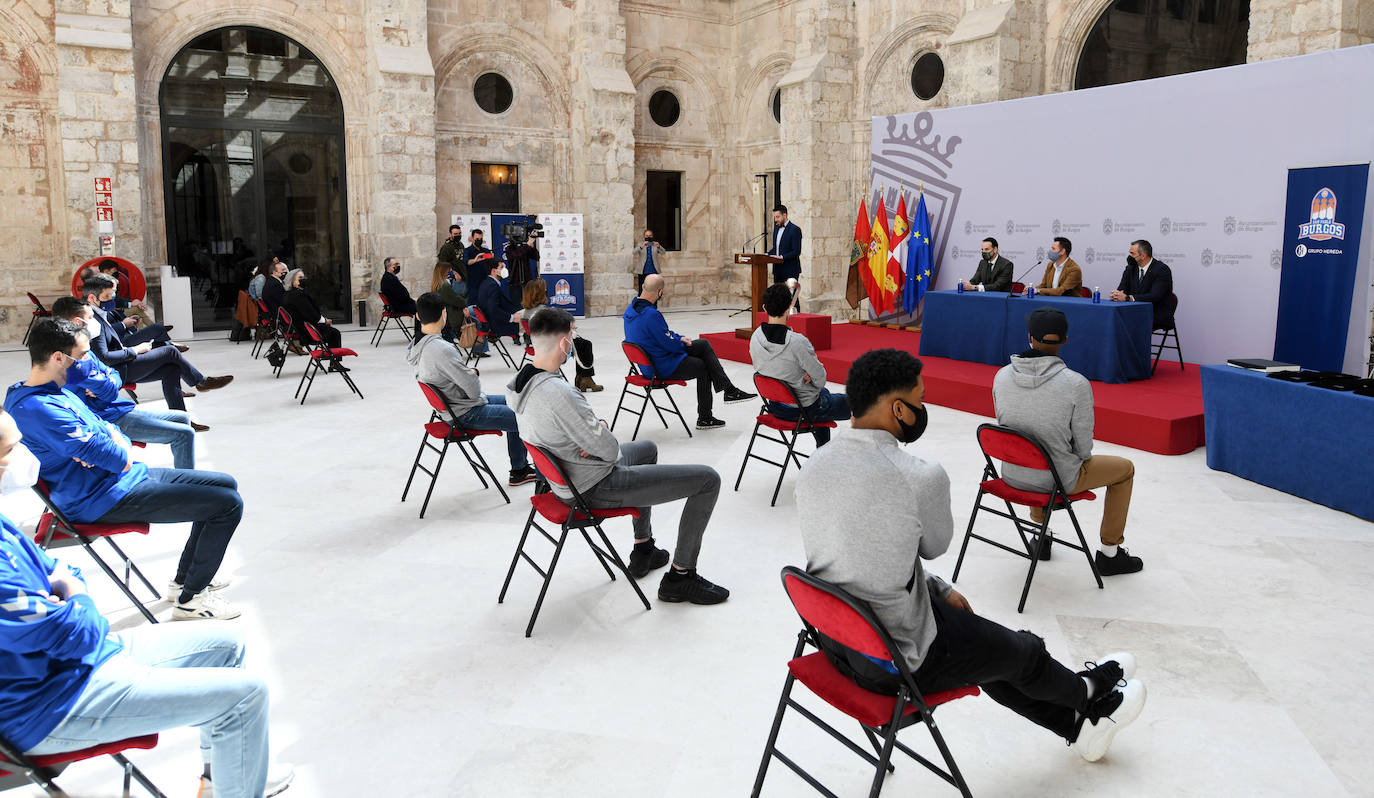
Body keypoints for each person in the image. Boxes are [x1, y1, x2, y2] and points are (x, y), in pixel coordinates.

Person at [795, 348, 1147, 762]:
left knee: (984, 642)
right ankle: (1090, 697)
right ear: (898, 409)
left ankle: (1072, 725)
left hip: (843, 641)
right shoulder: (918, 475)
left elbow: (853, 555)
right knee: (1022, 653)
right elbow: (934, 546)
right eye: (920, 400)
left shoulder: (814, 464)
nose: (923, 408)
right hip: (901, 659)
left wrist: (936, 588)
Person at [0, 409, 294, 798]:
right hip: (47, 704)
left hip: (71, 665)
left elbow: (61, 569)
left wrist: (68, 593)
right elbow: (76, 630)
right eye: (11, 448)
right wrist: (75, 596)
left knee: (227, 644)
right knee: (245, 696)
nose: (23, 454)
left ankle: (229, 780)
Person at [6, 320, 244, 620]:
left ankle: (185, 580)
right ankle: (192, 600)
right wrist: (112, 444)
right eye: (82, 355)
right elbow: (116, 456)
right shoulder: (38, 408)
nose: (88, 362)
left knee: (226, 484)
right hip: (99, 498)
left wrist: (109, 441)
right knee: (228, 505)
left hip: (119, 480)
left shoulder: (53, 391)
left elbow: (105, 431)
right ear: (58, 357)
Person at [509, 307, 730, 605]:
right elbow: (610, 450)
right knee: (708, 479)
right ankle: (681, 576)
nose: (573, 343)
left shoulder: (519, 384)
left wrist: (592, 439)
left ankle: (644, 548)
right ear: (564, 343)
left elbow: (591, 443)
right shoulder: (560, 393)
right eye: (572, 336)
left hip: (566, 476)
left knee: (647, 448)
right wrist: (600, 429)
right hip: (592, 486)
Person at [991, 307, 1143, 575]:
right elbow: (1084, 449)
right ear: (1065, 340)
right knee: (1125, 469)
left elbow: (1010, 428)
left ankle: (1042, 537)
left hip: (1012, 474)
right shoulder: (1076, 384)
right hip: (1056, 481)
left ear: (1029, 337)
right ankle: (1110, 553)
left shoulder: (1001, 376)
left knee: (1035, 451)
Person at [50, 297, 203, 465]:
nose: (95, 322)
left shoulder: (84, 350)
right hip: (106, 417)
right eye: (91, 318)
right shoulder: (70, 359)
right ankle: (187, 487)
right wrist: (108, 382)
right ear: (77, 322)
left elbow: (112, 375)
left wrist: (109, 381)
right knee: (184, 434)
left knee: (182, 418)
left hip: (116, 407)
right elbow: (107, 389)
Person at [406, 293, 537, 486]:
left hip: (452, 406)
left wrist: (467, 373)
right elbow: (473, 390)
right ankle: (534, 476)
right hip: (465, 412)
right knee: (526, 416)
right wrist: (472, 373)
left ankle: (520, 469)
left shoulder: (417, 345)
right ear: (444, 314)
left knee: (517, 401)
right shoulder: (442, 349)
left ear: (418, 317)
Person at [80, 275, 233, 412]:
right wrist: (135, 350)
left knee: (171, 369)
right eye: (108, 296)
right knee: (170, 352)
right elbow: (104, 357)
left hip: (123, 362)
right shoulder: (92, 320)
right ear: (93, 298)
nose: (112, 299)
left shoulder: (100, 313)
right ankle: (201, 382)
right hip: (118, 370)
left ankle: (181, 419)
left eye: (112, 294)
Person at [623, 275, 755, 430]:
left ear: (643, 287)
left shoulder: (632, 309)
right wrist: (681, 344)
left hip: (648, 363)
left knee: (703, 344)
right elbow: (669, 344)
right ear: (660, 292)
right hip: (661, 366)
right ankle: (706, 416)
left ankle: (729, 390)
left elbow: (664, 334)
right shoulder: (651, 315)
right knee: (704, 366)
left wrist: (680, 338)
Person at [749, 283, 850, 445]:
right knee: (860, 403)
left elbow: (768, 368)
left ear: (764, 308)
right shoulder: (796, 342)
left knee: (823, 393)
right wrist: (807, 375)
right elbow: (820, 378)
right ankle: (826, 455)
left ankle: (821, 454)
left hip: (775, 405)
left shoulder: (756, 337)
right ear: (789, 308)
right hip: (803, 409)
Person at [521, 278, 601, 392]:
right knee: (585, 344)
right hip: (550, 345)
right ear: (539, 293)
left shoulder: (527, 310)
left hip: (536, 342)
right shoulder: (541, 311)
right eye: (544, 289)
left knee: (581, 344)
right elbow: (553, 329)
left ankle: (583, 378)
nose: (546, 291)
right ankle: (585, 378)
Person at [1110, 239, 1174, 330]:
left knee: (1126, 321)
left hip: (1155, 313)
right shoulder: (1130, 269)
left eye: (1132, 254)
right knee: (1112, 318)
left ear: (1143, 256)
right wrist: (1117, 295)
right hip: (1134, 311)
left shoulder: (1161, 270)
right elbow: (1122, 289)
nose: (1129, 256)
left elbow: (1154, 296)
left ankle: (1132, 344)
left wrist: (1129, 298)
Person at [281, 268, 341, 349]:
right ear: (293, 282)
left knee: (332, 332)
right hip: (307, 331)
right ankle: (334, 359)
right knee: (335, 333)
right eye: (300, 278)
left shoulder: (290, 294)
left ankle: (332, 358)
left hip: (303, 328)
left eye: (303, 277)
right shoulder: (298, 295)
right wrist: (325, 321)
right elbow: (310, 314)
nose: (303, 280)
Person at [475, 261, 523, 343]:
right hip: (498, 324)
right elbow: (493, 309)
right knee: (532, 317)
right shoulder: (492, 286)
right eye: (501, 267)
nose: (504, 269)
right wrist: (511, 318)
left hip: (494, 320)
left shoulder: (487, 282)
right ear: (494, 271)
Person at [767, 204, 802, 285]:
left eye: (778, 217)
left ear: (785, 215)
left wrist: (781, 257)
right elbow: (776, 248)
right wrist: (766, 254)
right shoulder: (776, 229)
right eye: (775, 217)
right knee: (778, 296)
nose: (776, 219)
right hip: (777, 270)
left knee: (792, 296)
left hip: (790, 270)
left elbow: (796, 251)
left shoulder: (795, 230)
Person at [502, 237, 540, 305]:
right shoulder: (509, 248)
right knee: (517, 307)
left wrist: (532, 246)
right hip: (515, 283)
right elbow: (517, 255)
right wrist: (527, 245)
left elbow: (536, 257)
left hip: (527, 282)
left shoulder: (525, 247)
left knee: (529, 305)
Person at [629, 228, 668, 293]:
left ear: (652, 236)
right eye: (646, 235)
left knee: (654, 289)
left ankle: (653, 303)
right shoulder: (640, 244)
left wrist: (659, 246)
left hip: (653, 270)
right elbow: (634, 252)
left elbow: (663, 252)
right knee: (642, 289)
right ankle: (642, 302)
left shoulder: (655, 244)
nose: (648, 237)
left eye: (650, 235)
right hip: (643, 270)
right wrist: (641, 247)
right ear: (644, 236)